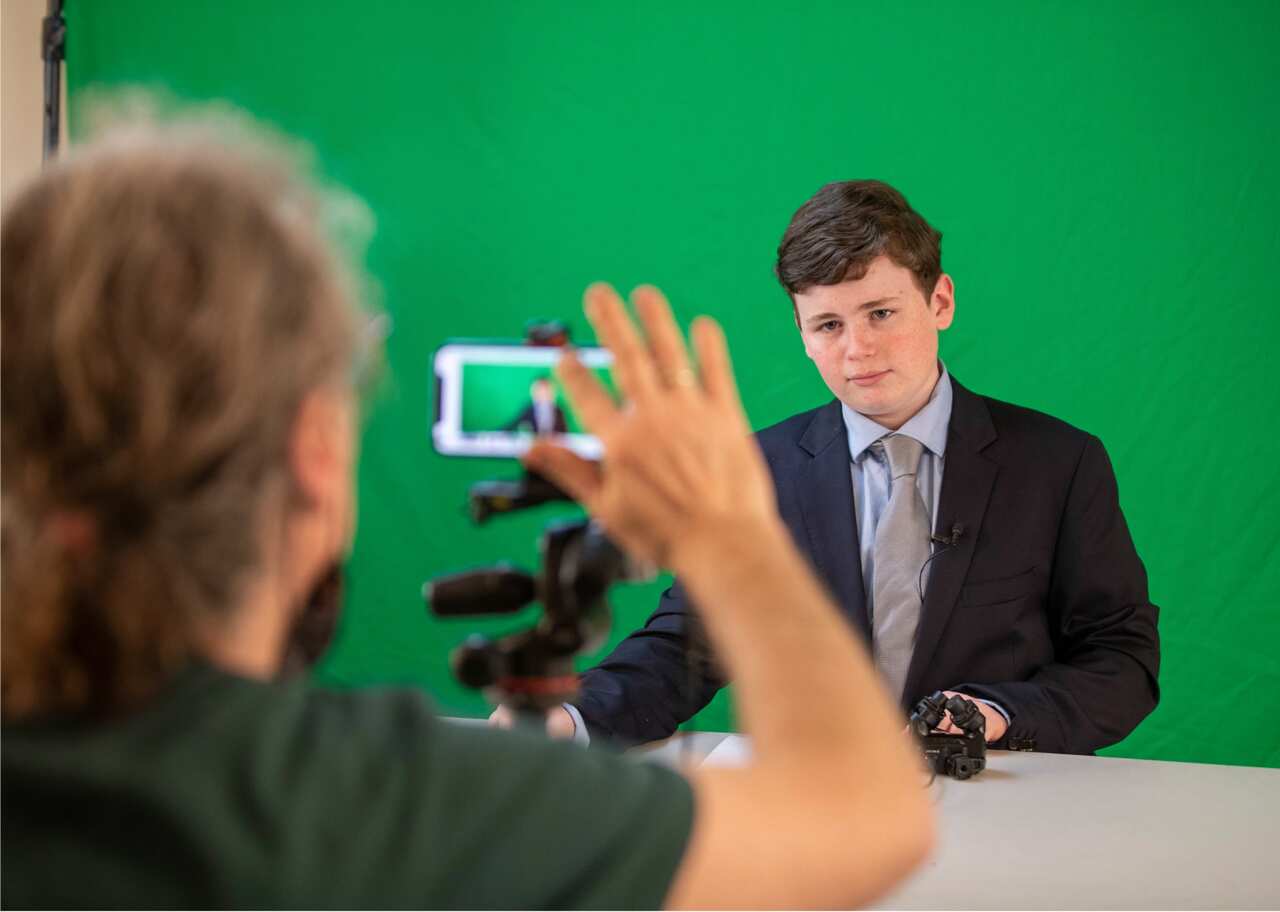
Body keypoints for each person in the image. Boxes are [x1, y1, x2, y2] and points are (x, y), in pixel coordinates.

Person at [0, 116, 932, 908]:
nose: (857, 347)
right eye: (830, 323)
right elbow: (866, 819)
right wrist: (731, 533)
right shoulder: (391, 806)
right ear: (315, 452)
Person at [529, 180, 1161, 756]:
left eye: (880, 313)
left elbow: (1121, 660)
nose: (858, 349)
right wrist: (570, 718)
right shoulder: (755, 470)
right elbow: (687, 643)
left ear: (939, 301)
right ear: (802, 333)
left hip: (1009, 791)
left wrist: (998, 714)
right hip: (823, 803)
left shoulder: (1061, 463)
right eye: (828, 324)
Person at [502, 376, 568, 435]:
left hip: (553, 443)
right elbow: (514, 424)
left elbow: (564, 432)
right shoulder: (528, 409)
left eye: (546, 390)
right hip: (534, 442)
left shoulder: (558, 409)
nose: (543, 394)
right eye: (540, 390)